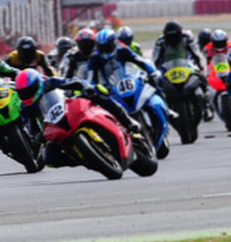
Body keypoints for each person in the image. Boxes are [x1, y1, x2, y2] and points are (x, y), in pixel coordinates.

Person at [12, 69, 144, 169]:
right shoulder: (25, 108)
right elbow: (30, 128)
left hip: (71, 108)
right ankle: (84, 158)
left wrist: (84, 86)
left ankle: (128, 121)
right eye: (22, 92)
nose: (26, 94)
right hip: (54, 127)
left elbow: (71, 82)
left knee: (99, 94)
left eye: (29, 90)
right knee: (49, 159)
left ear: (37, 83)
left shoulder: (50, 82)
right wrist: (37, 137)